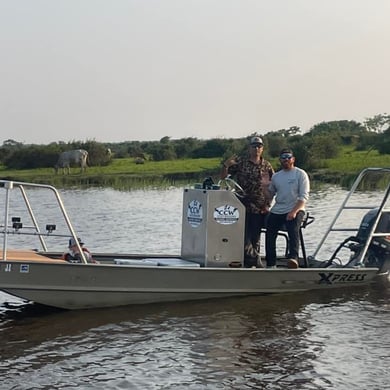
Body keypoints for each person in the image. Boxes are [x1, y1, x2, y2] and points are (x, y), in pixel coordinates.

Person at [221, 136, 274, 267]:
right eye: (254, 146)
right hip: (241, 205)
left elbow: (274, 185)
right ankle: (251, 260)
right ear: (249, 148)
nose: (256, 149)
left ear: (262, 149)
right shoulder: (241, 163)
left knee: (255, 237)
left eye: (259, 146)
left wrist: (268, 204)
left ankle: (254, 263)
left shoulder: (267, 165)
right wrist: (226, 165)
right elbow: (223, 178)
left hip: (259, 206)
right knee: (242, 236)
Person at [265, 148, 310, 269]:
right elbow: (271, 194)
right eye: (283, 157)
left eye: (288, 157)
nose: (286, 160)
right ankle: (270, 263)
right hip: (278, 209)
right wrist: (264, 189)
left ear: (293, 159)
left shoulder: (300, 174)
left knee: (293, 229)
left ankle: (293, 258)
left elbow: (303, 197)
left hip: (296, 208)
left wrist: (294, 211)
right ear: (280, 160)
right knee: (269, 231)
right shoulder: (276, 176)